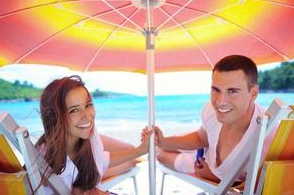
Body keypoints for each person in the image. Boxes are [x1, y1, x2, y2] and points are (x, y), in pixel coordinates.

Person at [152, 55, 275, 183]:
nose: (220, 102)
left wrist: (215, 177)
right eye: (216, 90)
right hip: (204, 156)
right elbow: (201, 138)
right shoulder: (211, 110)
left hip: (202, 167)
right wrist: (162, 141)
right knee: (159, 149)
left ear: (253, 93)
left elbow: (266, 186)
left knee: (160, 155)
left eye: (232, 91)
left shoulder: (267, 135)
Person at [36, 75, 151, 194]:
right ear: (55, 116)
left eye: (88, 105)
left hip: (91, 176)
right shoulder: (47, 165)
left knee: (132, 162)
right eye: (74, 110)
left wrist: (141, 150)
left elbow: (100, 159)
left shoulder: (87, 138)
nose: (87, 116)